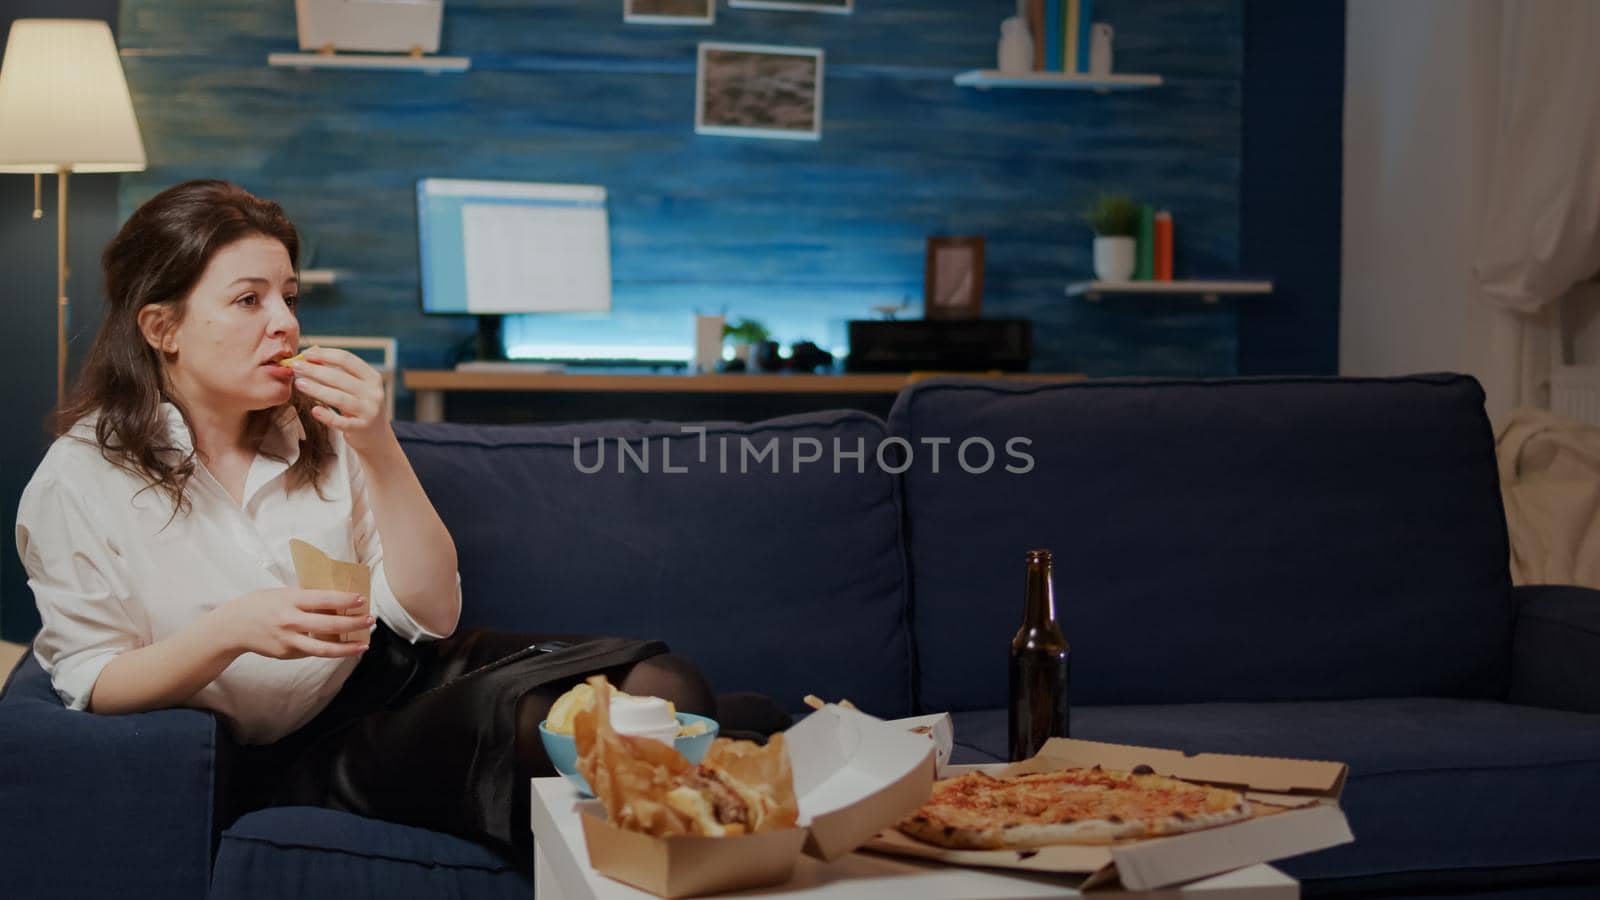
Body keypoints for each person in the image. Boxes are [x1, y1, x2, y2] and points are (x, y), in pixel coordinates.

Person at [15, 179, 782, 863]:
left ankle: (729, 734)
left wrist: (378, 443)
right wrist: (230, 629)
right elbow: (89, 680)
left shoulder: (316, 431)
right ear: (161, 327)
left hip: (401, 671)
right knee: (579, 729)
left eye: (290, 296)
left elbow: (429, 613)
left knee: (663, 683)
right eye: (249, 300)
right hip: (303, 748)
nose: (284, 323)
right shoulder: (81, 481)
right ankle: (738, 740)